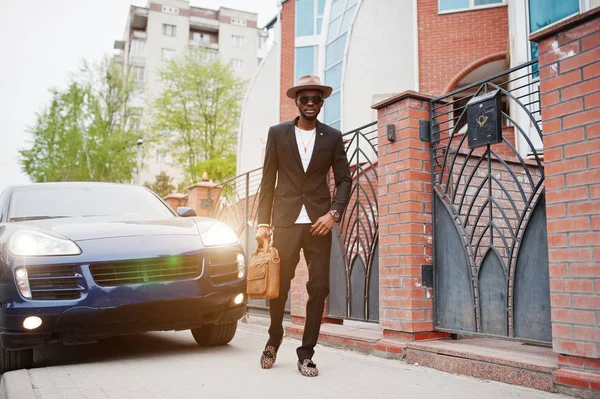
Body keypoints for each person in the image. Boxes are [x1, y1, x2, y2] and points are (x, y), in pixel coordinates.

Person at [255, 74, 351, 377]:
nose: (310, 104)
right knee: (278, 286)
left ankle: (306, 352)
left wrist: (333, 214)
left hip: (318, 224)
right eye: (305, 99)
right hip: (284, 222)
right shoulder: (278, 134)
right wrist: (262, 223)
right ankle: (274, 337)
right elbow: (268, 179)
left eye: (316, 99)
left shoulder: (332, 137)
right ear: (296, 101)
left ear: (322, 102)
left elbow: (345, 179)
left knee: (319, 287)